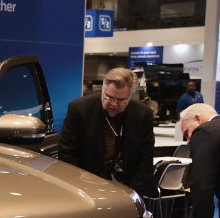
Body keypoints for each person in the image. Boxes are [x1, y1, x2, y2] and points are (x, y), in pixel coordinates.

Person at [58, 67, 156, 198]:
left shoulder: (143, 114)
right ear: (103, 89)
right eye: (109, 97)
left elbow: (146, 158)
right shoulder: (79, 109)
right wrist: (79, 188)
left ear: (130, 95)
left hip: (128, 185)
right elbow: (67, 153)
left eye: (121, 100)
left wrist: (132, 193)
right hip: (85, 186)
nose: (114, 104)